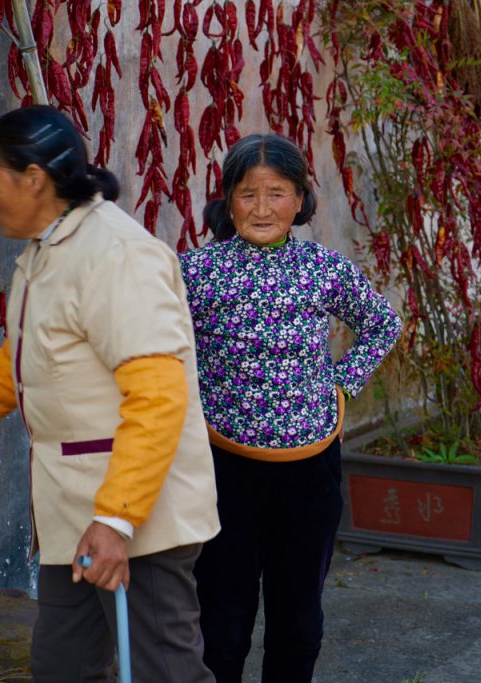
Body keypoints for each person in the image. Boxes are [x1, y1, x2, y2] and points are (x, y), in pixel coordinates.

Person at [0, 105, 219, 682]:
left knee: (165, 672)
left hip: (136, 522)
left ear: (33, 177)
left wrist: (117, 520)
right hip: (74, 514)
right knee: (63, 668)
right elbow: (17, 366)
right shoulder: (45, 255)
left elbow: (159, 396)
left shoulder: (116, 255)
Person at [179, 133, 402, 682]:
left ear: (300, 200)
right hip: (223, 466)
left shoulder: (323, 268)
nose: (261, 208)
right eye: (247, 193)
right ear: (227, 200)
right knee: (222, 620)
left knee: (298, 620)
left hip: (310, 468)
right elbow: (162, 348)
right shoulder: (195, 272)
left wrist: (340, 386)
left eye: (277, 193)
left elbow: (382, 324)